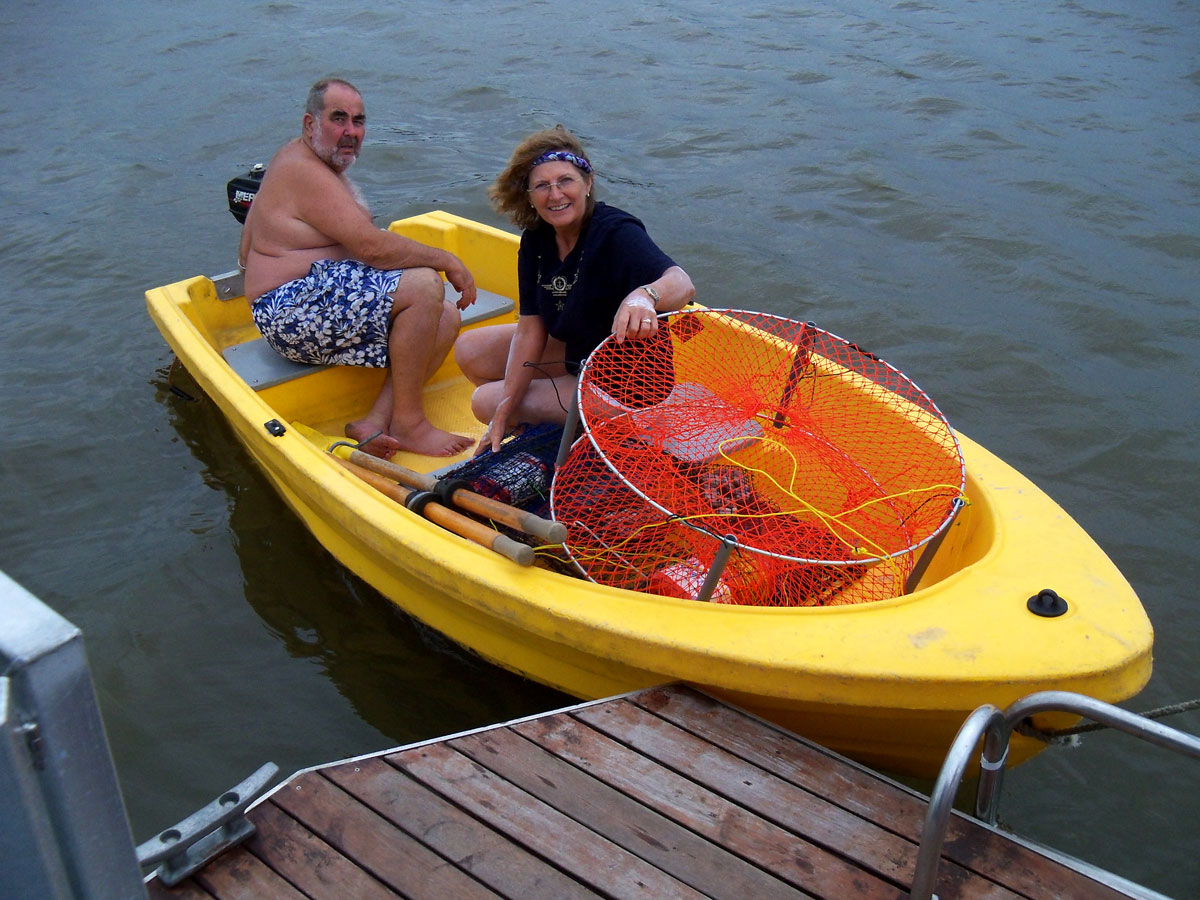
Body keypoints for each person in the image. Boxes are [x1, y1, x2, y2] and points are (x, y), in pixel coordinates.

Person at [239, 77, 477, 458]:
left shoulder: (295, 159)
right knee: (425, 285)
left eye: (359, 121)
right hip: (288, 313)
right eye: (338, 119)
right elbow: (371, 247)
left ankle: (376, 420)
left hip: (314, 298)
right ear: (309, 124)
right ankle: (410, 424)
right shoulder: (303, 169)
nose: (350, 131)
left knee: (445, 317)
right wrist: (448, 260)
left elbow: (245, 245)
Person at [454, 126, 695, 453]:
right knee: (471, 349)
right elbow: (530, 330)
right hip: (579, 356)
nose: (555, 195)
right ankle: (544, 427)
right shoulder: (537, 240)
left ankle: (611, 430)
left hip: (627, 385)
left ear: (588, 183)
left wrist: (645, 296)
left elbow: (681, 282)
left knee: (485, 401)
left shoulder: (616, 231)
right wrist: (507, 407)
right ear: (528, 195)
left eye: (566, 181)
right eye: (542, 185)